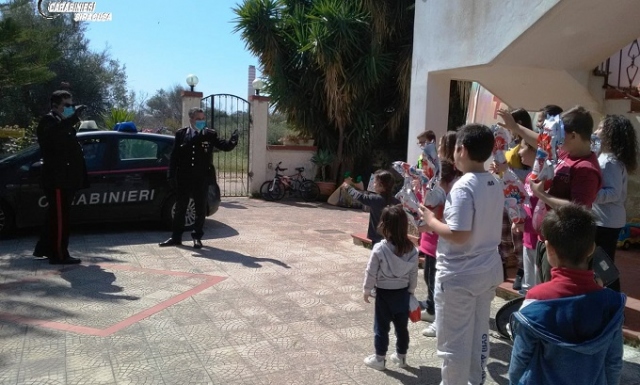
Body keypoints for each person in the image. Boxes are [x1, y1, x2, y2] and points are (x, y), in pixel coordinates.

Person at [419, 124, 504, 385]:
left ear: (462, 150)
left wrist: (431, 220)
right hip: (486, 269)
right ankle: (475, 380)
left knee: (453, 342)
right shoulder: (494, 181)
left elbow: (459, 234)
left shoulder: (463, 186)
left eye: (455, 148)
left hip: (460, 275)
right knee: (479, 335)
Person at [509, 204, 625, 385]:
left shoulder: (536, 299)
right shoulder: (612, 303)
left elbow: (521, 357)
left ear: (549, 249)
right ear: (591, 249)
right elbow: (614, 360)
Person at [499, 106, 602, 283]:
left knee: (549, 292)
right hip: (547, 239)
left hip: (563, 247)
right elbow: (541, 141)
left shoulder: (586, 170)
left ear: (574, 136)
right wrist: (515, 127)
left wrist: (542, 195)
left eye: (560, 137)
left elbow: (579, 210)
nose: (556, 141)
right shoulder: (567, 151)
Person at [159, 107, 238, 248]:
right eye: (198, 119)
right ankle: (176, 237)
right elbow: (174, 157)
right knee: (180, 209)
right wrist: (171, 175)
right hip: (184, 178)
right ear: (191, 119)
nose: (201, 121)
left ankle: (197, 237)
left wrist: (232, 142)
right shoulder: (181, 134)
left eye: (203, 119)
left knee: (200, 209)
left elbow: (223, 146)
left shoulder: (209, 134)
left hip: (201, 179)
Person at [33, 90, 88, 265]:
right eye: (67, 105)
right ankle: (59, 254)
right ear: (56, 105)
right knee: (60, 218)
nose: (71, 109)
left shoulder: (61, 122)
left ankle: (44, 248)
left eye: (72, 105)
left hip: (65, 178)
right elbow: (54, 139)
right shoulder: (49, 121)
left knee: (54, 215)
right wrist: (72, 119)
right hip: (57, 179)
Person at [362, 204, 419, 370]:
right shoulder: (412, 251)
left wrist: (367, 290)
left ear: (384, 226)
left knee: (381, 327)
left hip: (384, 295)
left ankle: (379, 359)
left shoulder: (380, 249)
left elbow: (371, 272)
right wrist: (411, 291)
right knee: (402, 328)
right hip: (402, 294)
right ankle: (401, 358)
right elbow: (413, 274)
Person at [592, 115, 638, 292]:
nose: (596, 131)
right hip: (604, 219)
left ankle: (614, 301)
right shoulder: (604, 156)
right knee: (601, 262)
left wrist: (590, 194)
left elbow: (613, 193)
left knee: (603, 264)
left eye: (601, 128)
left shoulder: (610, 162)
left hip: (606, 222)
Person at [415, 160, 457, 337]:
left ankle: (438, 317)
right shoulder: (438, 192)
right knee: (429, 278)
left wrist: (429, 223)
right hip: (431, 243)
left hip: (440, 245)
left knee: (437, 284)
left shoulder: (452, 196)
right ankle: (433, 310)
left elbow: (446, 223)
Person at [342, 170, 400, 245]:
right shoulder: (397, 202)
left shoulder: (375, 199)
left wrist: (348, 188)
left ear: (382, 186)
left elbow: (360, 197)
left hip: (377, 237)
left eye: (375, 182)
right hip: (392, 238)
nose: (373, 184)